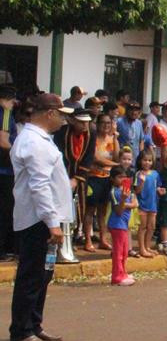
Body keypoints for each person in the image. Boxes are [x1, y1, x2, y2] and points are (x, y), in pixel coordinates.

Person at [8, 94, 75, 341]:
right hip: (38, 220)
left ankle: (34, 324)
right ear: (49, 113)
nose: (63, 119)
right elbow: (40, 187)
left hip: (45, 219)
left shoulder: (40, 140)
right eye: (61, 114)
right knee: (32, 275)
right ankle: (22, 330)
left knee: (42, 275)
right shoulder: (34, 142)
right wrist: (52, 223)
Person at [56, 107, 94, 250]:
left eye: (87, 123)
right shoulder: (62, 132)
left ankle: (74, 237)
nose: (85, 126)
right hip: (63, 173)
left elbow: (89, 157)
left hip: (80, 176)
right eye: (81, 123)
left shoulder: (92, 133)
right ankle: (61, 238)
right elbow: (58, 153)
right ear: (72, 121)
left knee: (80, 206)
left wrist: (77, 179)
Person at [82, 114, 118, 252]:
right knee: (90, 210)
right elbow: (96, 159)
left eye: (108, 123)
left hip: (107, 178)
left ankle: (103, 239)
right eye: (103, 123)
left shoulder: (111, 139)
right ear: (97, 124)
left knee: (103, 211)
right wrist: (117, 165)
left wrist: (115, 138)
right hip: (93, 176)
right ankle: (88, 240)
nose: (106, 125)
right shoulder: (93, 139)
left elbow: (116, 155)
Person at [107, 165, 137, 286]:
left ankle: (122, 272)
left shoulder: (126, 190)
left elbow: (135, 203)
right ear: (113, 179)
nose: (122, 179)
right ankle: (117, 277)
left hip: (123, 224)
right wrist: (124, 201)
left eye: (124, 177)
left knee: (124, 252)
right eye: (119, 177)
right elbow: (118, 211)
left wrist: (126, 203)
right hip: (117, 224)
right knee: (118, 252)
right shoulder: (114, 192)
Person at [0, 86, 18, 260]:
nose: (14, 104)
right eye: (12, 100)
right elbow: (4, 141)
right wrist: (19, 155)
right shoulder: (5, 114)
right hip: (5, 171)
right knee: (5, 211)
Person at [134, 151, 160, 258]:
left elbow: (157, 187)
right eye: (145, 160)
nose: (147, 163)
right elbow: (137, 191)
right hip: (142, 205)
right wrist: (142, 182)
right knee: (143, 227)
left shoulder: (155, 174)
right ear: (140, 161)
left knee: (151, 227)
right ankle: (141, 249)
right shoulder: (138, 174)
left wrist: (160, 190)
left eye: (149, 160)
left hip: (153, 204)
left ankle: (147, 246)